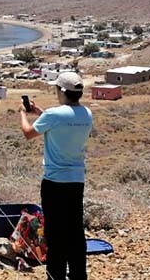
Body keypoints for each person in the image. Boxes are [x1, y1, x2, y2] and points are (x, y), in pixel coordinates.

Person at [18, 71, 93, 280]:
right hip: (76, 180)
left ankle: (56, 276)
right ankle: (78, 275)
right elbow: (65, 123)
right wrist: (40, 113)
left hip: (54, 181)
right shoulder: (87, 113)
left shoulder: (53, 115)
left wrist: (22, 113)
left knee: (55, 233)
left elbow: (28, 133)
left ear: (61, 91)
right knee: (75, 231)